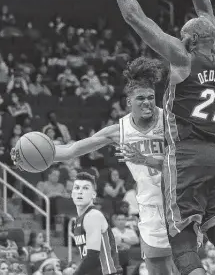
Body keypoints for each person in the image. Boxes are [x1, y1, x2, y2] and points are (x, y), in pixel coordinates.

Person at [114, 0, 215, 275]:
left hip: (185, 155)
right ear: (212, 39)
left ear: (187, 40)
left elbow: (134, 17)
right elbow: (207, 12)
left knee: (184, 246)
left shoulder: (183, 58)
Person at [11, 56, 176, 275]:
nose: (147, 103)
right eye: (141, 98)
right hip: (149, 204)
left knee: (183, 262)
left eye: (151, 97)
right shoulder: (119, 131)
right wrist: (27, 156)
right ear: (128, 102)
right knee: (158, 269)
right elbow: (72, 150)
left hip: (178, 197)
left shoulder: (169, 121)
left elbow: (187, 160)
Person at [70, 172, 122, 275]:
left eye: (85, 188)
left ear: (93, 194)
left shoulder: (93, 215)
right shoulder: (80, 220)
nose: (80, 192)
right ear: (72, 194)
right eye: (77, 188)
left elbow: (93, 255)